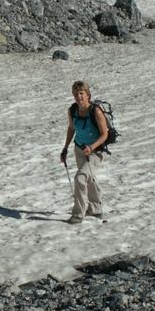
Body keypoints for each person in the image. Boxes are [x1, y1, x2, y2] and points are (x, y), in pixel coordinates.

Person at [60, 81, 108, 224]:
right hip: (79, 149)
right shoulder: (72, 110)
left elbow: (104, 134)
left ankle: (78, 215)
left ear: (88, 95)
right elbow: (71, 128)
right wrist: (65, 148)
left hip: (95, 152)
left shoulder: (96, 111)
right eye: (76, 94)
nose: (78, 97)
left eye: (81, 93)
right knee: (89, 178)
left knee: (80, 178)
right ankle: (95, 208)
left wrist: (92, 147)